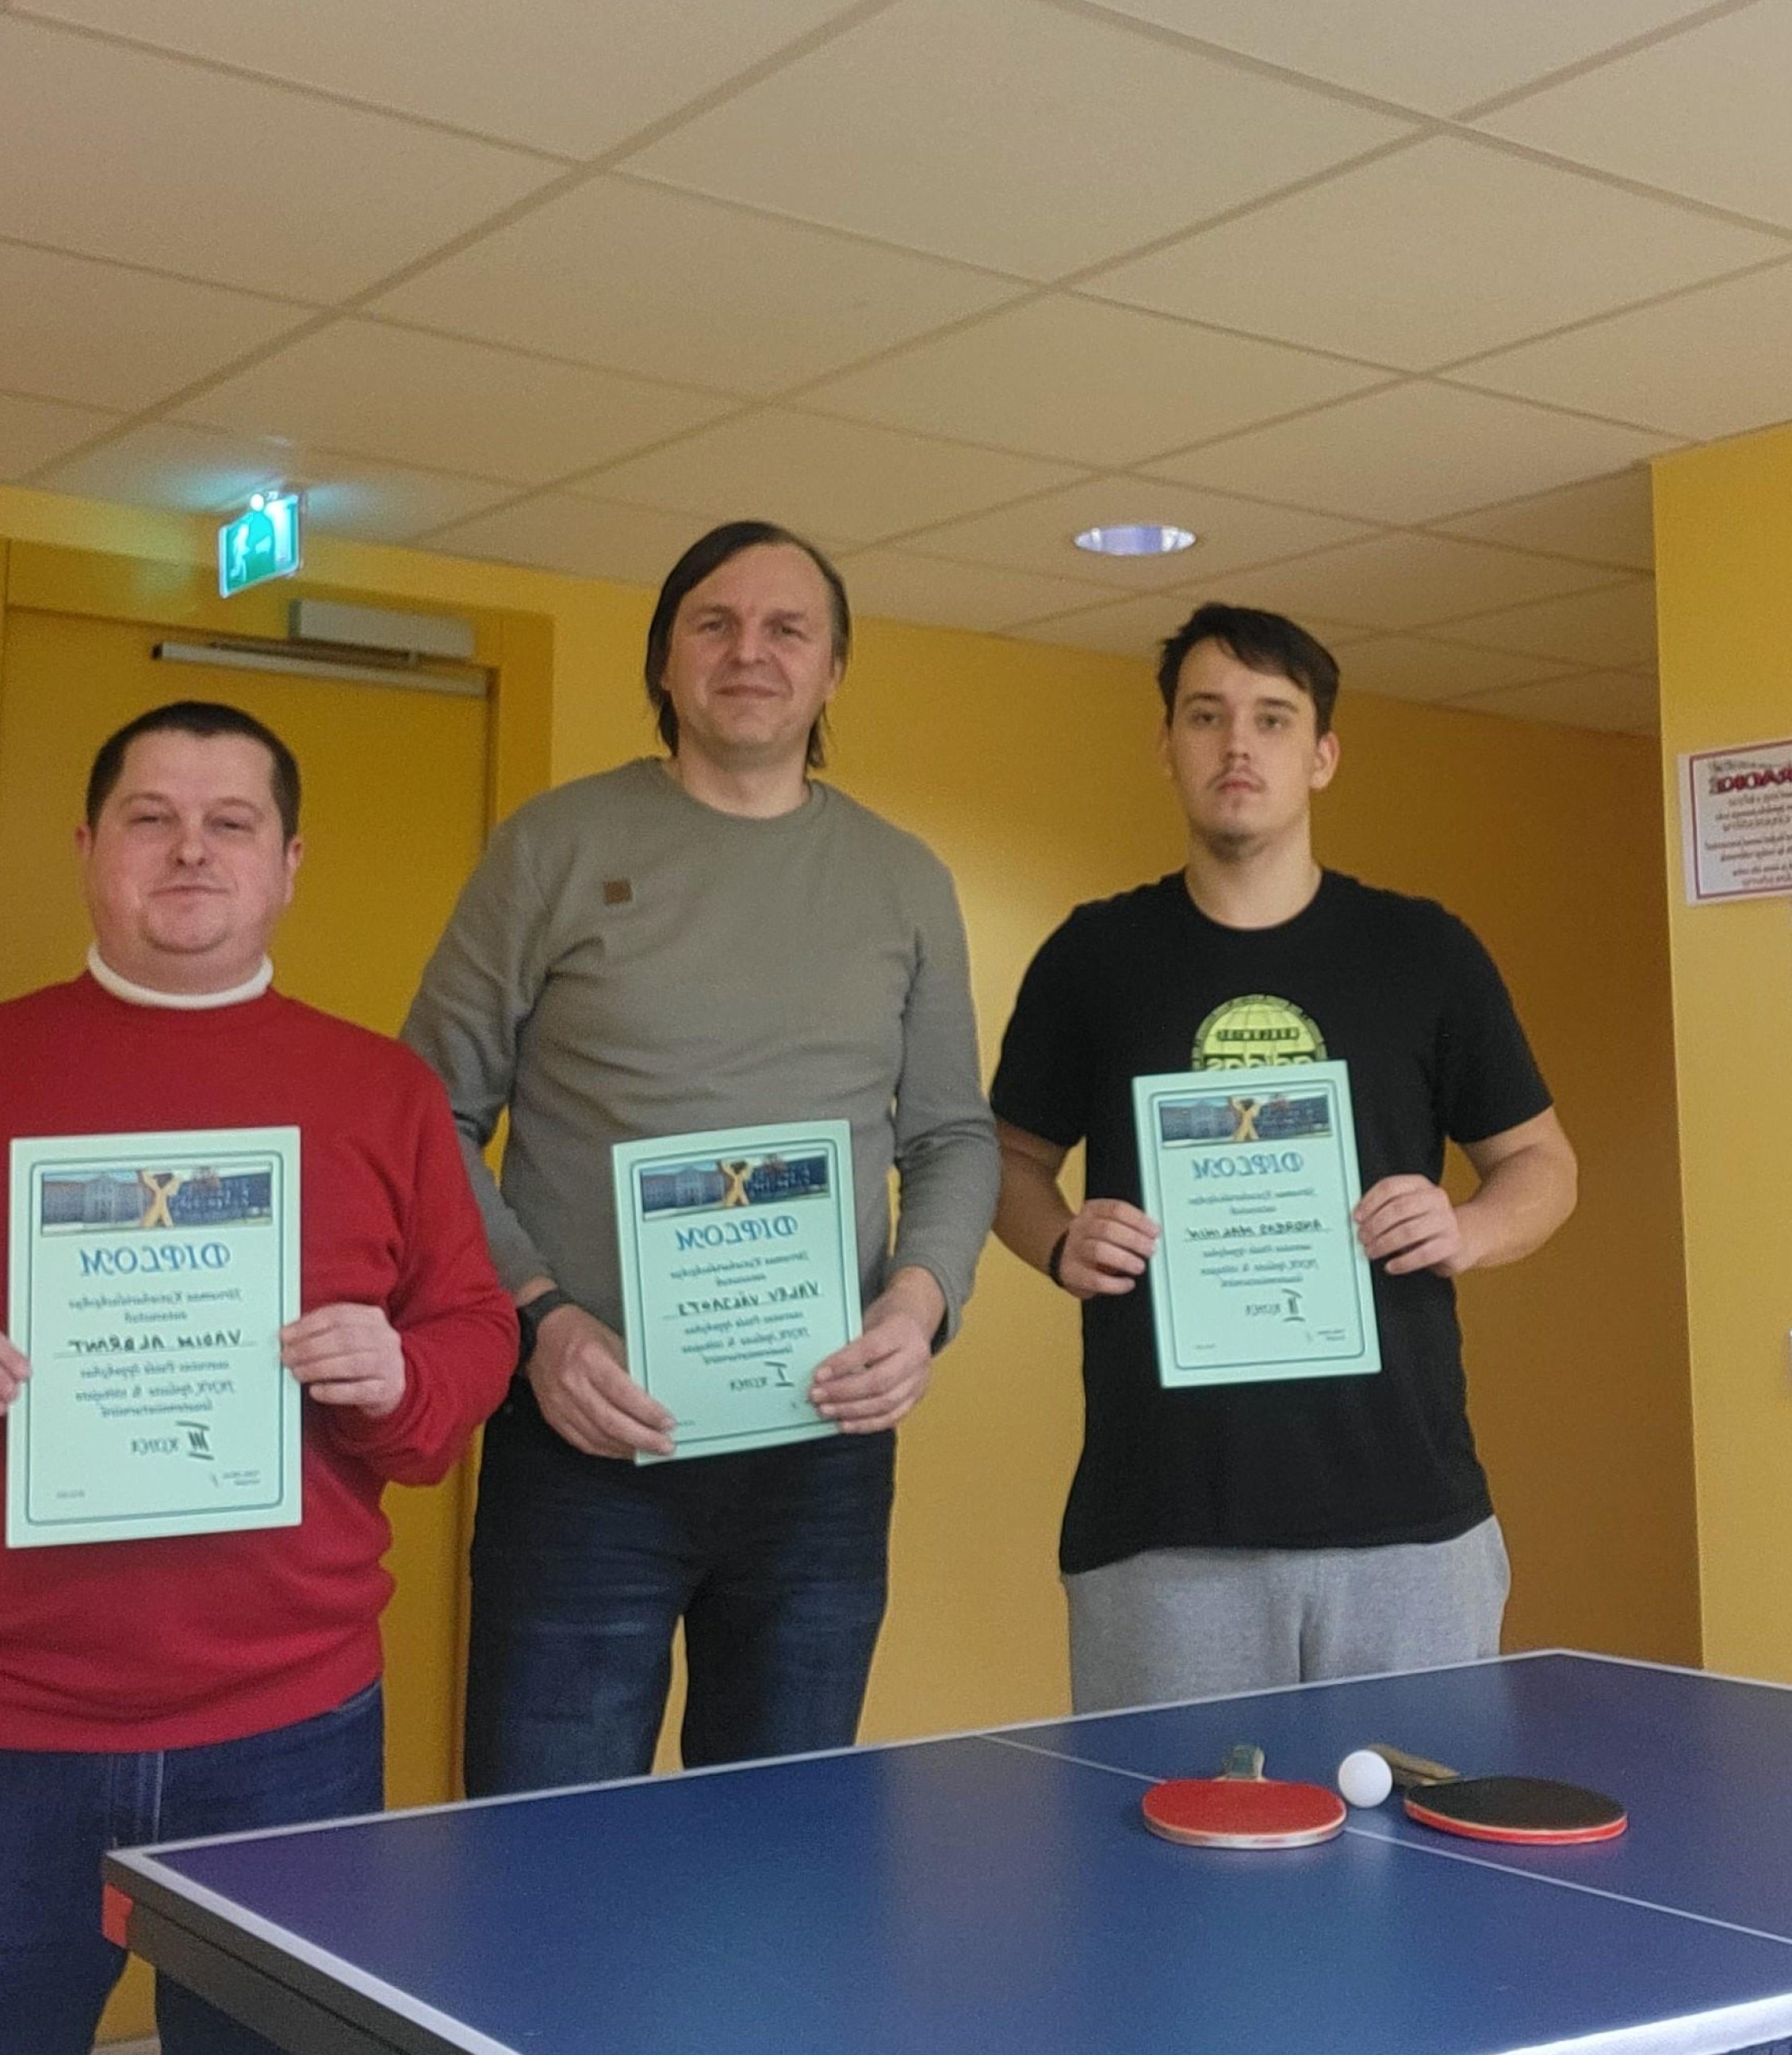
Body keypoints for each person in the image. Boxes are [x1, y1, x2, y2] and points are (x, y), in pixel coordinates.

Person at [0, 701, 516, 2055]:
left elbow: (472, 1330)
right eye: (150, 818)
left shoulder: (383, 1091)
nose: (191, 851)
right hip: (0, 1731)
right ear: (87, 848)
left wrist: (400, 1374)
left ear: (289, 863)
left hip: (293, 1728)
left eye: (232, 823)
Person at [405, 519, 998, 1796]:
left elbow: (953, 1135)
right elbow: (426, 1117)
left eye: (789, 629)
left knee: (777, 1852)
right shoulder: (552, 848)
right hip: (586, 1439)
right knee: (545, 1847)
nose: (750, 653)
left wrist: (918, 1304)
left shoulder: (903, 881)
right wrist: (539, 1321)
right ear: (665, 662)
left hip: (821, 1450)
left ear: (833, 672)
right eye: (714, 624)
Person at [986, 605, 1579, 1714]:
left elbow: (1543, 1163)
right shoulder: (1093, 958)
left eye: (1272, 718)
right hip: (1163, 1529)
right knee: (1175, 1831)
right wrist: (1060, 1239)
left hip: (1408, 1521)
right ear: (1168, 746)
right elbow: (1007, 1159)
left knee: (1425, 1824)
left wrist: (1466, 1227)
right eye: (1206, 717)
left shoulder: (1423, 951)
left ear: (1322, 755)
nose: (1237, 746)